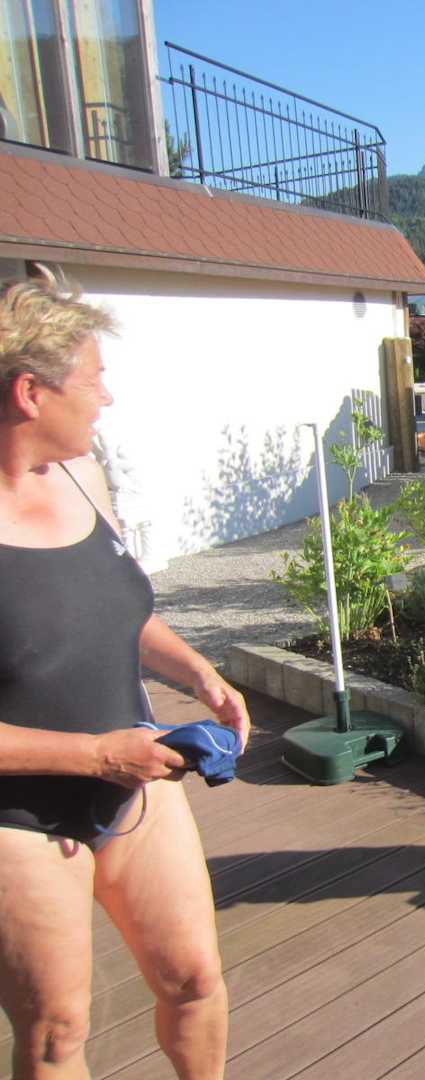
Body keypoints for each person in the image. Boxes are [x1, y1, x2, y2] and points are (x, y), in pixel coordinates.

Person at [0, 272, 250, 1079]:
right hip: (18, 816)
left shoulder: (82, 476)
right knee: (57, 1030)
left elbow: (112, 610)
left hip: (134, 779)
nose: (107, 397)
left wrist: (197, 669)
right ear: (31, 393)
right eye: (94, 378)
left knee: (195, 979)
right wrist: (98, 755)